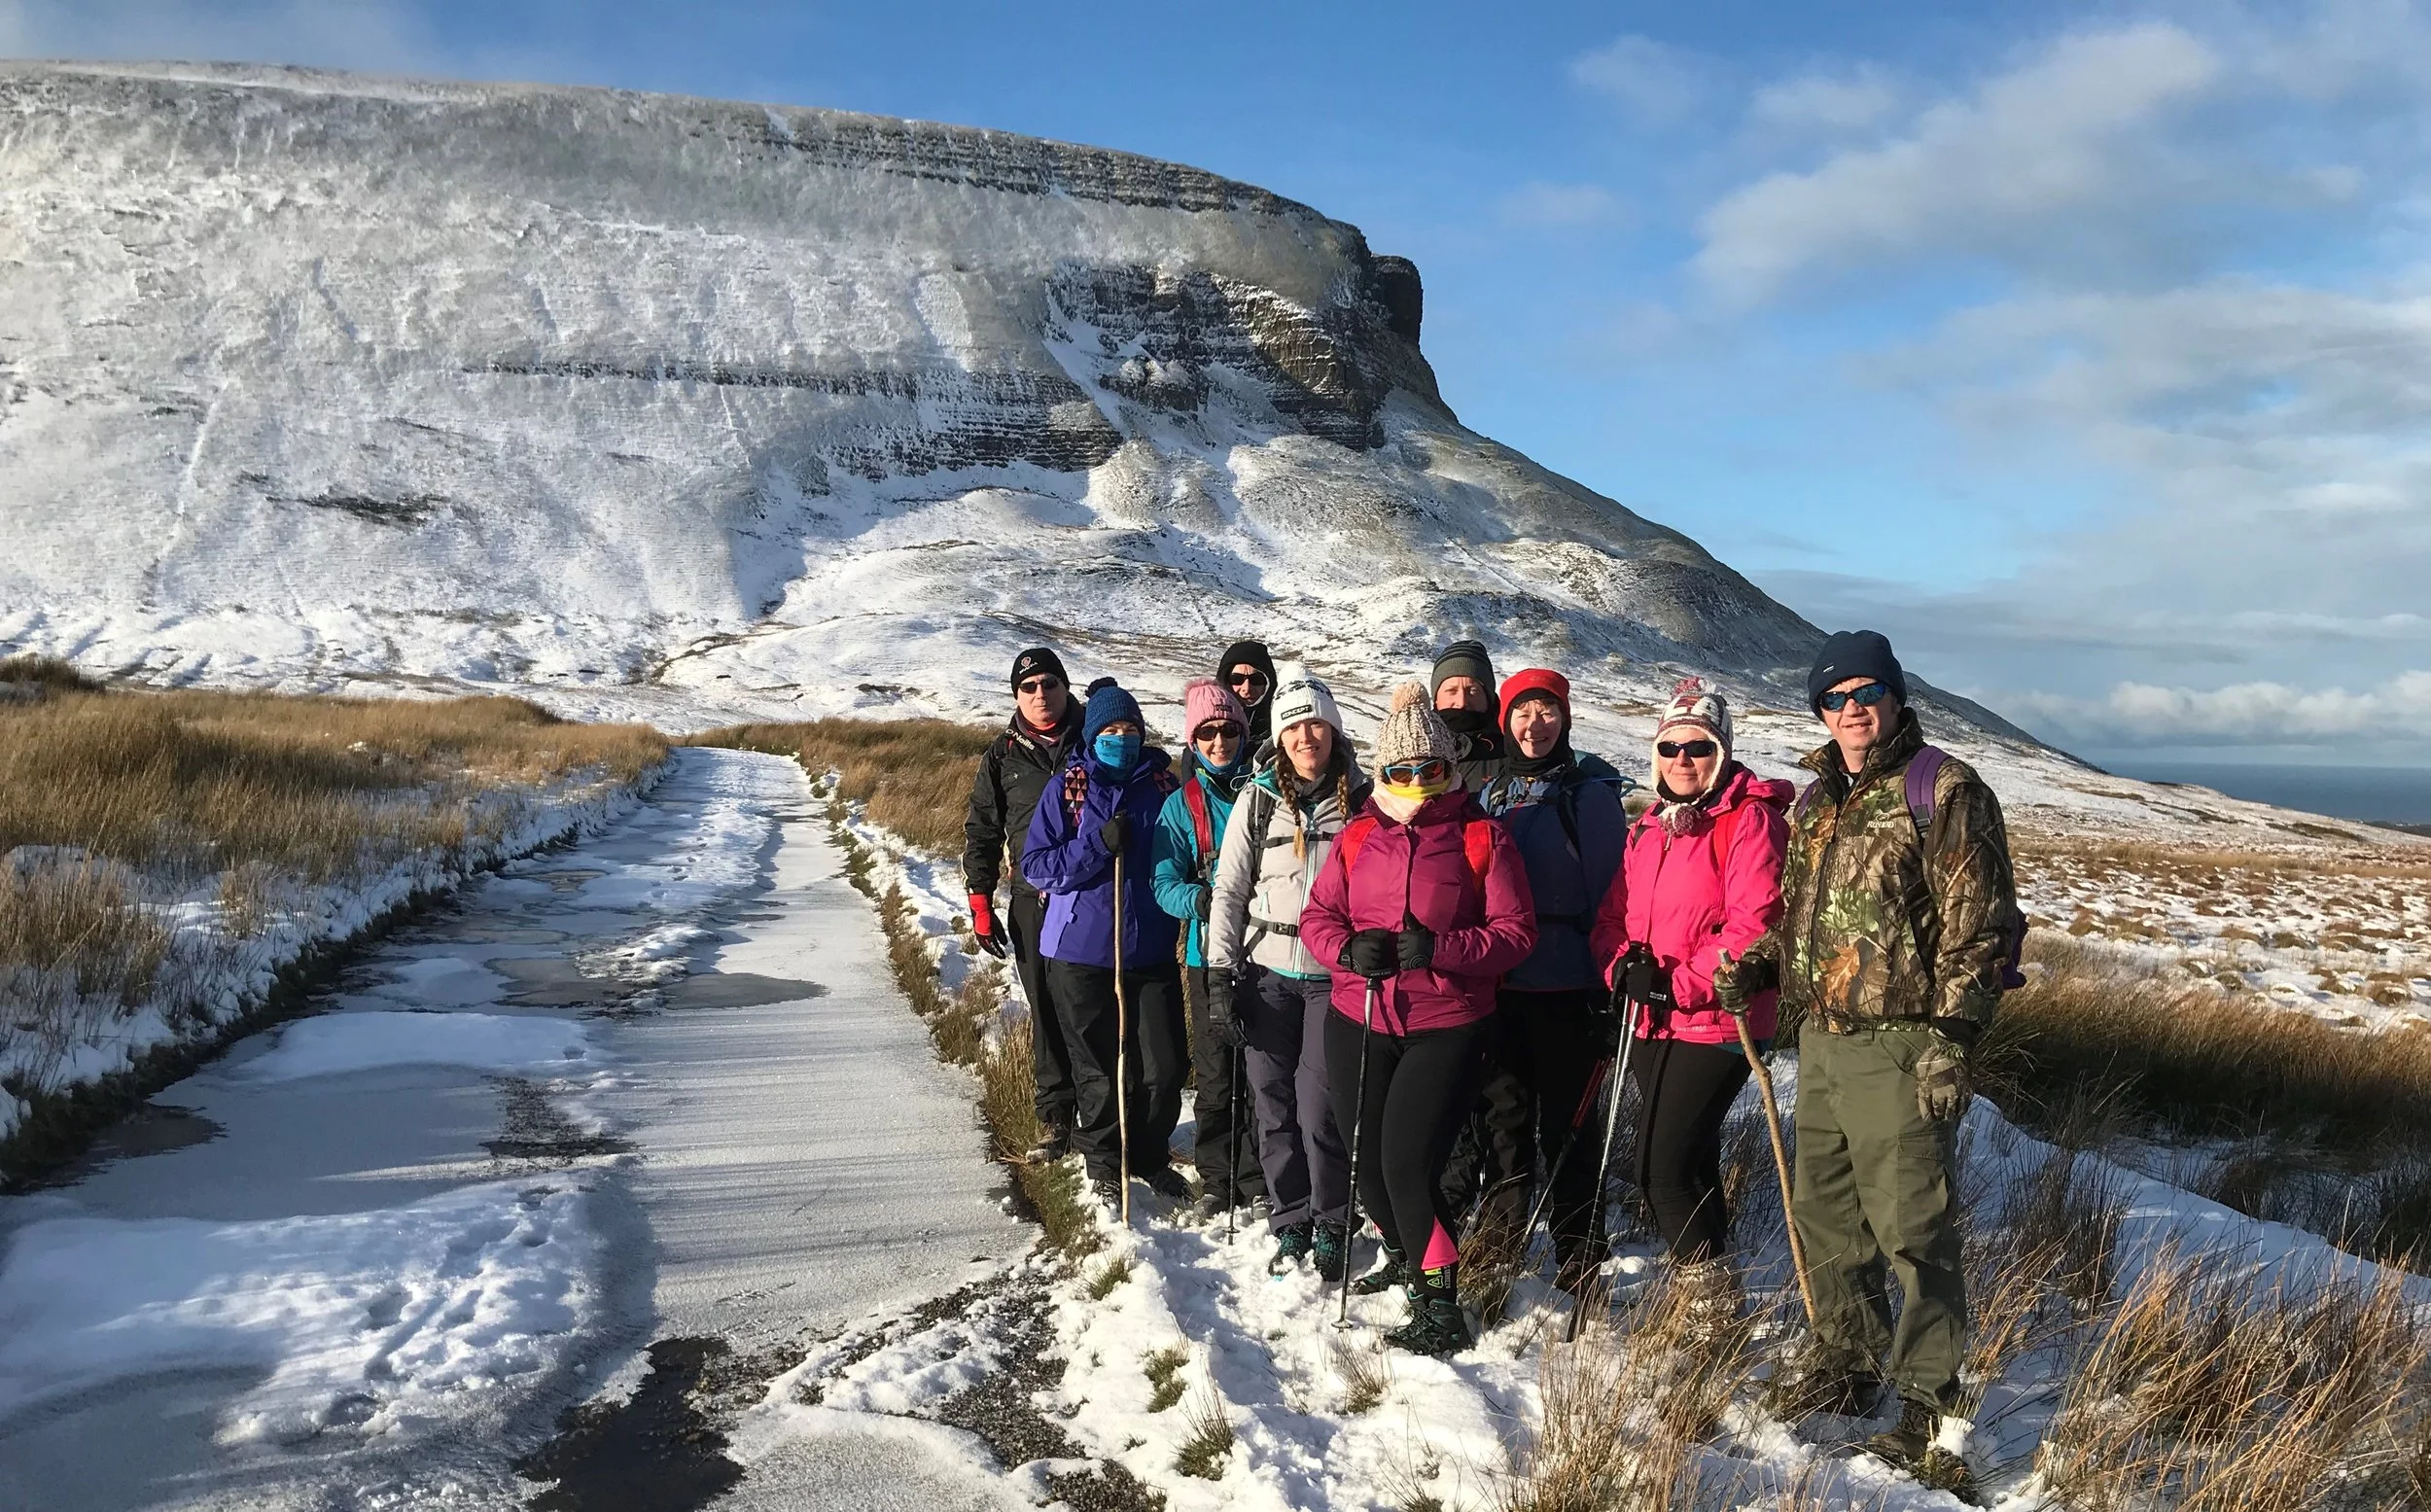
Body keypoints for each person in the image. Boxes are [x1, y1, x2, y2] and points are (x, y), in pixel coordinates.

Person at [1730, 631, 2023, 1494]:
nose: (1852, 707)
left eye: (1867, 691)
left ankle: (1932, 1404)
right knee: (1826, 1209)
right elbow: (1806, 919)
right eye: (1835, 696)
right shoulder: (1820, 802)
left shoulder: (1944, 789)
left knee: (1910, 1225)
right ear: (1819, 709)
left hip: (1903, 1044)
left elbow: (1983, 927)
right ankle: (1847, 1358)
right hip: (1820, 1038)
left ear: (1894, 695)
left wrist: (1951, 1040)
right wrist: (1761, 963)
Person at [1300, 684, 1536, 1356]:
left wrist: (1443, 949)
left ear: (1449, 767)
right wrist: (1347, 948)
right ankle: (1406, 1256)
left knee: (1405, 1163)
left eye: (1429, 769)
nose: (1415, 783)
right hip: (1360, 1013)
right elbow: (1319, 918)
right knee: (1366, 1162)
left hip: (1447, 1021)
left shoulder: (1480, 835)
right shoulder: (1357, 836)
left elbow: (1516, 934)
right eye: (1400, 771)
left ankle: (1440, 1304)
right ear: (1382, 772)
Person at [1587, 677, 1791, 1331]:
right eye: (1670, 746)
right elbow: (1613, 917)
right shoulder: (1650, 826)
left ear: (1722, 751)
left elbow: (1752, 926)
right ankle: (1714, 1279)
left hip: (1717, 1021)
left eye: (1697, 746)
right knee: (1693, 1158)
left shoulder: (1748, 821)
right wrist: (1623, 967)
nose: (1682, 758)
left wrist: (1679, 983)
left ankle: (1710, 1311)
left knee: (1659, 1168)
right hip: (1651, 1019)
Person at [1441, 668, 1631, 1283]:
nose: (1534, 724)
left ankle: (1579, 1253)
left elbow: (1611, 896)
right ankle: (1501, 1244)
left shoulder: (1589, 796)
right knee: (1504, 1121)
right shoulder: (1492, 794)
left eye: (1547, 710)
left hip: (1570, 987)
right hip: (1502, 987)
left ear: (1565, 718)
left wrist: (1609, 986)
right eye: (1523, 711)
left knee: (1569, 1127)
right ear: (1506, 721)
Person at [1206, 661, 1365, 1279]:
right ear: (1279, 737)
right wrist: (1221, 973)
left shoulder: (1365, 803)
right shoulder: (1256, 802)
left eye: (1316, 725)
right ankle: (1289, 1216)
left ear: (1333, 732)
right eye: (1294, 727)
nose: (1306, 738)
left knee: (1318, 1104)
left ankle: (1332, 1219)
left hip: (1334, 979)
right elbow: (1229, 892)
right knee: (1271, 1103)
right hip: (1264, 974)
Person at [1021, 678, 1193, 1209]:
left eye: (1131, 729)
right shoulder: (1068, 788)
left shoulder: (1165, 788)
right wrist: (1097, 845)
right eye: (1111, 729)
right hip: (1078, 952)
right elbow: (1036, 867)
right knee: (1096, 1065)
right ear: (1094, 734)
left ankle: (1148, 1156)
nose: (1122, 737)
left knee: (1163, 1066)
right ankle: (1102, 1162)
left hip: (1150, 949)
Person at [1150, 677, 1266, 1220]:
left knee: (1265, 1070)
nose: (1220, 742)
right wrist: (1205, 901)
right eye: (1208, 733)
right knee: (1218, 1071)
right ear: (1193, 741)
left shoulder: (1269, 793)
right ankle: (1219, 1177)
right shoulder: (1180, 806)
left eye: (1229, 730)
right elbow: (1162, 881)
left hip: (1269, 955)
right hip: (1206, 958)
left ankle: (1259, 1174)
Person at [963, 647, 1085, 1159]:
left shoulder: (1095, 737)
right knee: (1048, 1010)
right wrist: (980, 902)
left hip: (1093, 900)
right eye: (1029, 687)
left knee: (1096, 1009)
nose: (1041, 695)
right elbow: (983, 829)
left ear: (1065, 686)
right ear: (1016, 696)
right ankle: (1056, 1120)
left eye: (1049, 684)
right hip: (1033, 902)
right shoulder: (1002, 754)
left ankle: (1110, 1120)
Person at [1430, 640, 1504, 791]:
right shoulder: (1416, 755)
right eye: (1451, 691)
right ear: (1436, 699)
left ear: (1489, 698)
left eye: (1473, 691)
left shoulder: (1511, 755)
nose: (1462, 702)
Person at [1216, 640, 1279, 751]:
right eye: (1236, 679)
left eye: (1256, 679)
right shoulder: (1211, 723)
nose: (1247, 688)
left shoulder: (1280, 722)